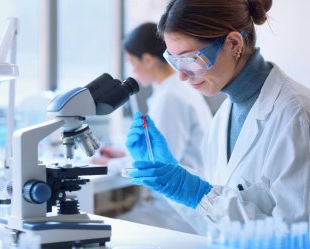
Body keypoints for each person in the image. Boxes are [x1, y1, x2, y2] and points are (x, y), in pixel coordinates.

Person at [126, 0, 310, 235]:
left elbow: (297, 236)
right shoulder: (224, 117)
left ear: (233, 44)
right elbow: (214, 224)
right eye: (174, 61)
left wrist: (196, 192)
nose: (181, 76)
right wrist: (174, 181)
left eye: (190, 59)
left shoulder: (296, 117)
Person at [92, 22, 212, 232]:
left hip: (179, 212)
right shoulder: (173, 90)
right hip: (178, 203)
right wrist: (121, 154)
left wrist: (109, 165)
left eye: (132, 62)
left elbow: (159, 165)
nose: (133, 71)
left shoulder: (170, 97)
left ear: (147, 60)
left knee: (107, 231)